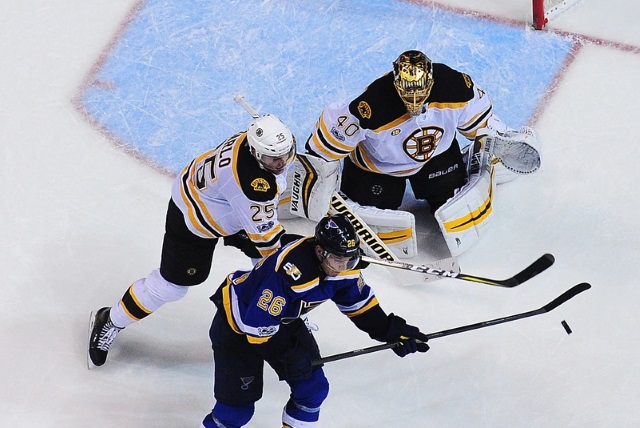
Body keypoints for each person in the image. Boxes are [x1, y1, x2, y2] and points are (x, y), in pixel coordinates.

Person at [88, 113, 297, 368]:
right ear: (255, 153)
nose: (281, 162)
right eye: (273, 158)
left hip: (222, 202)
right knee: (171, 287)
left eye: (286, 154)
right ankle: (111, 320)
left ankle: (269, 320)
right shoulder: (253, 185)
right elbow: (268, 243)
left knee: (264, 266)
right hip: (194, 217)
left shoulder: (252, 144)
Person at [299, 49, 541, 256]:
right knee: (375, 208)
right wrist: (318, 178)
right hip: (378, 168)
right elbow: (324, 146)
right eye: (407, 92)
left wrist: (501, 140)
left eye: (420, 91)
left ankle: (449, 177)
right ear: (396, 84)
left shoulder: (454, 87)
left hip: (436, 157)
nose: (414, 100)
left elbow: (482, 124)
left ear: (431, 80)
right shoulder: (371, 106)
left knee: (448, 198)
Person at [202, 213, 430, 428]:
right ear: (320, 251)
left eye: (350, 260)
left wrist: (390, 331)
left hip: (283, 320)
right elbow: (256, 326)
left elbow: (359, 305)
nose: (344, 268)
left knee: (312, 389)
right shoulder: (290, 272)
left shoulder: (343, 264)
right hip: (238, 326)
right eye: (339, 260)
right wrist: (289, 356)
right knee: (236, 411)